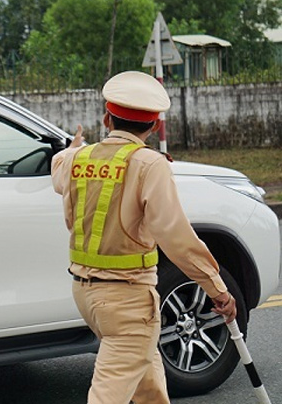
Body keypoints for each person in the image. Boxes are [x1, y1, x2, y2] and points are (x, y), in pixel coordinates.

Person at [50, 71, 237, 404]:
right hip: (128, 301)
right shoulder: (150, 165)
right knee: (109, 393)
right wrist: (216, 288)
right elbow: (176, 236)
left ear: (106, 119)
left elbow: (58, 166)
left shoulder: (79, 159)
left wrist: (72, 147)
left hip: (86, 294)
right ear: (154, 126)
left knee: (149, 389)